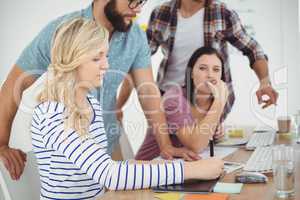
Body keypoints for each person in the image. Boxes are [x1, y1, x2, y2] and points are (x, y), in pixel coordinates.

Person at [0, 0, 198, 181]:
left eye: (142, 2)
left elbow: (148, 92)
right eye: (133, 1)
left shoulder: (135, 36)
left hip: (107, 145)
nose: (138, 9)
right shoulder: (63, 31)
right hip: (70, 157)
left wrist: (165, 145)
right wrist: (1, 144)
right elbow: (13, 85)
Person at [32, 17, 224, 199]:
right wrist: (192, 170)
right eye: (96, 58)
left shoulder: (92, 105)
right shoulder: (53, 113)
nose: (106, 65)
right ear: (73, 59)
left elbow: (106, 167)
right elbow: (110, 175)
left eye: (106, 56)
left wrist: (179, 166)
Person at [116, 0, 278, 158]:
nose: (211, 72)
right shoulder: (162, 13)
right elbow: (138, 60)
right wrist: (119, 104)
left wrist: (264, 82)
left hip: (206, 98)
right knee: (173, 147)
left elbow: (253, 49)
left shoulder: (222, 13)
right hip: (172, 98)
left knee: (196, 150)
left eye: (216, 69)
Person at [135, 46, 228, 160]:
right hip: (149, 166)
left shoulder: (213, 99)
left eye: (216, 69)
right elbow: (196, 146)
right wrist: (219, 103)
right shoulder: (174, 99)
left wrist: (216, 131)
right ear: (191, 73)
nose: (210, 75)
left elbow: (203, 134)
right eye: (203, 68)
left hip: (181, 166)